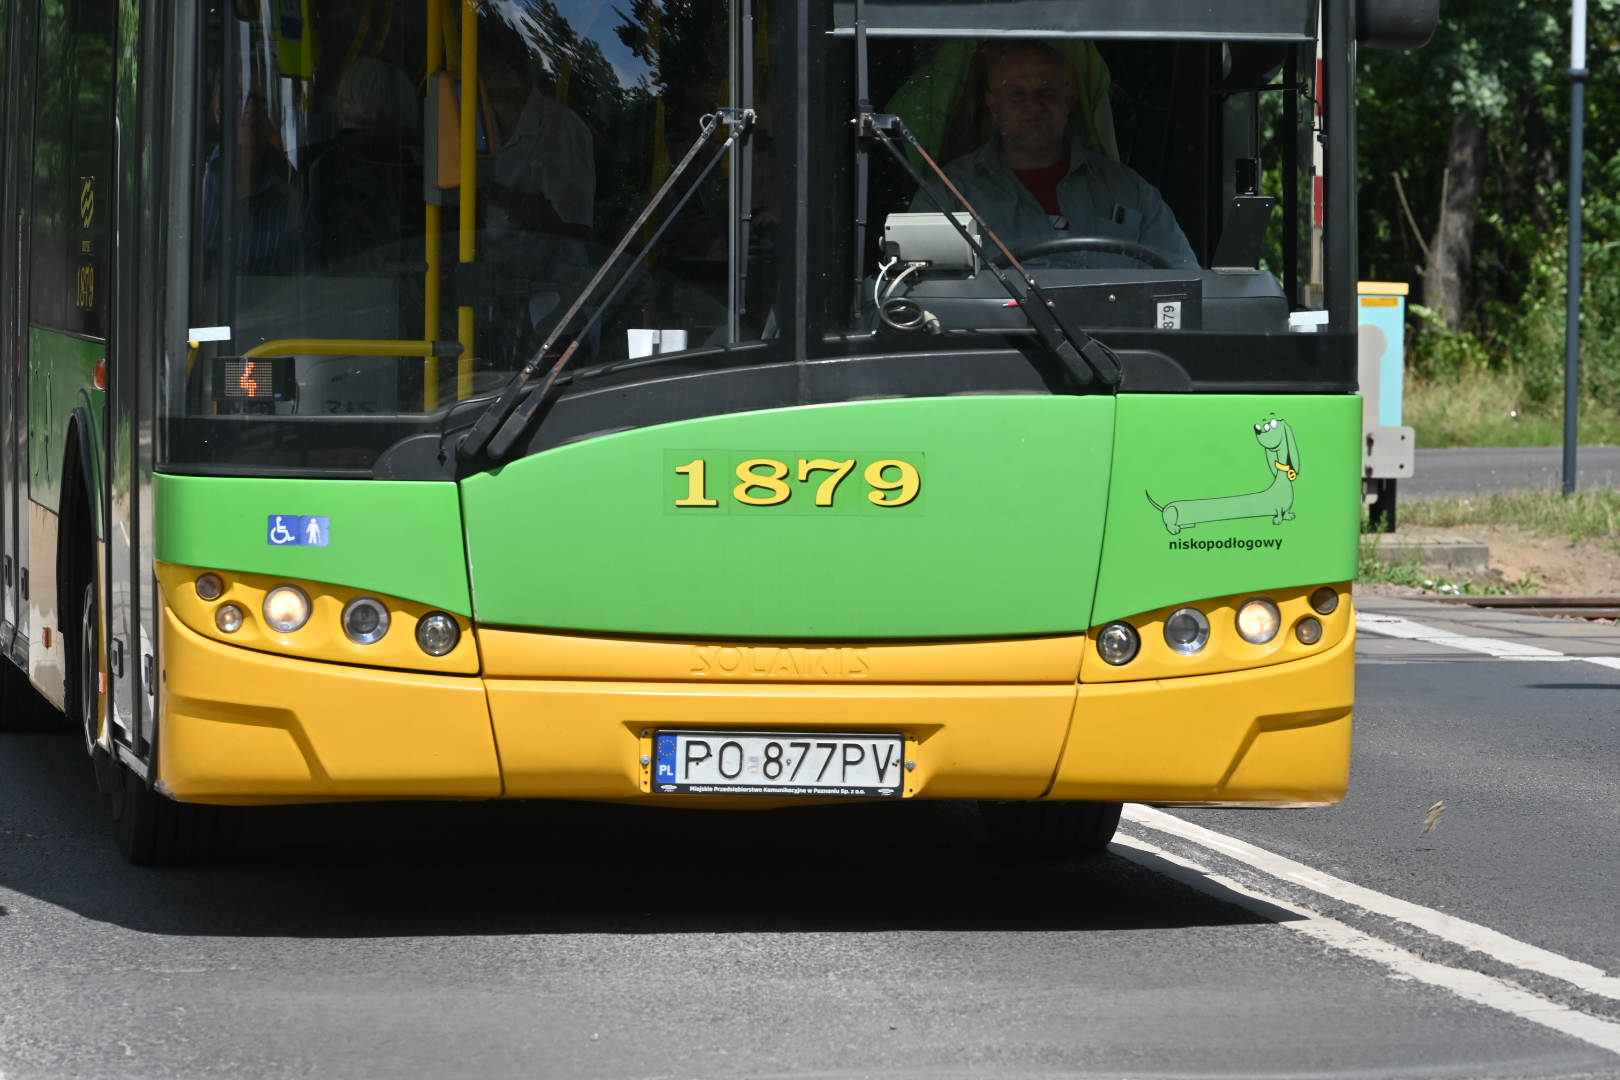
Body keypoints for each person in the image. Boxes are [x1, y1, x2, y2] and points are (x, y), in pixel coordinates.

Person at [913, 41, 1198, 270]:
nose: (1033, 104)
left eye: (1046, 90)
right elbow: (918, 298)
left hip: (1111, 342)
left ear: (1068, 96)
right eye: (1016, 94)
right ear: (993, 106)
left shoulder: (1131, 192)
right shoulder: (948, 195)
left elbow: (1186, 288)